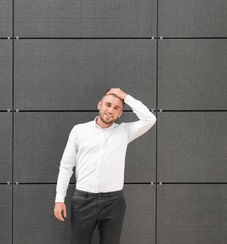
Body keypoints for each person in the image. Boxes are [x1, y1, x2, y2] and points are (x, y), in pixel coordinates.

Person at [54, 88, 156, 244]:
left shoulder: (124, 132)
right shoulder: (79, 130)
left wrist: (125, 96)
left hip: (113, 203)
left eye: (116, 108)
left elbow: (150, 119)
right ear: (99, 105)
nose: (110, 110)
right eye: (108, 105)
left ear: (120, 113)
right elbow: (66, 166)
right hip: (83, 201)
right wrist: (59, 199)